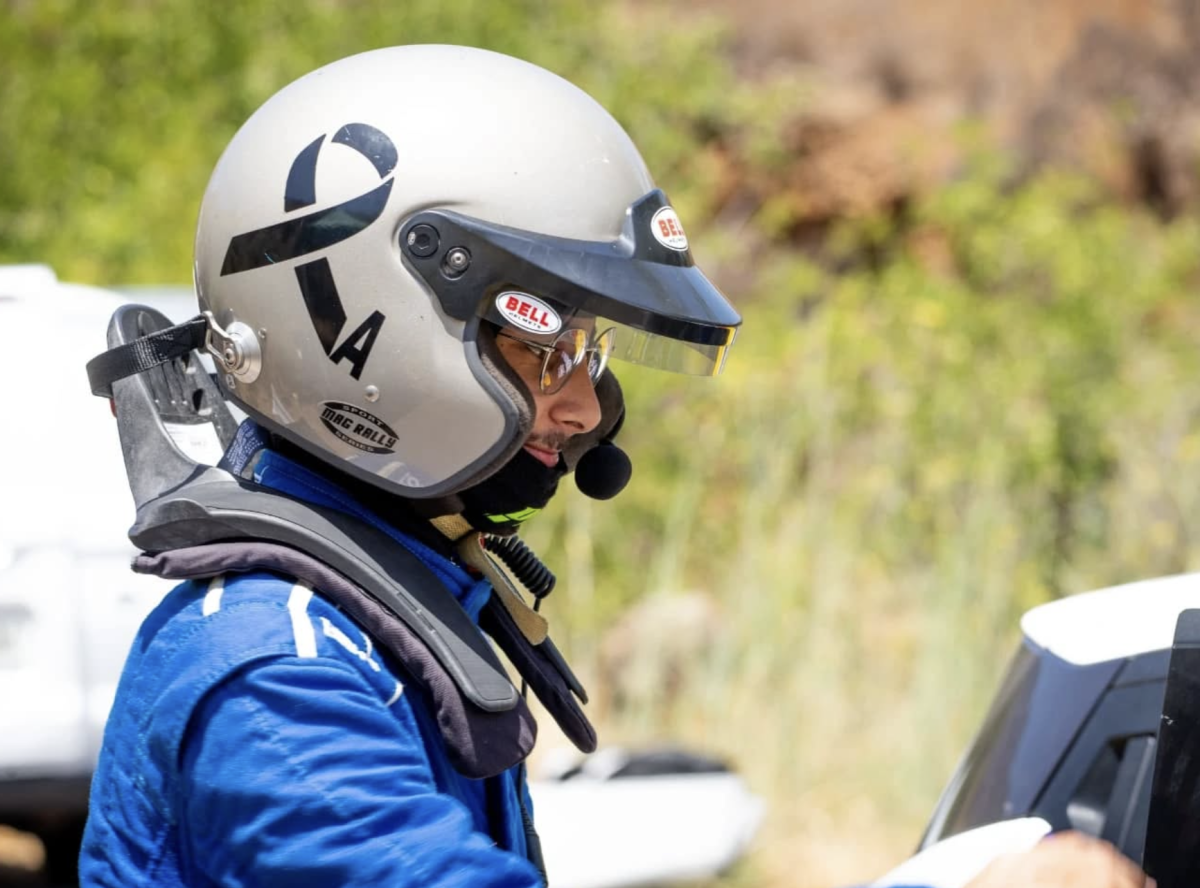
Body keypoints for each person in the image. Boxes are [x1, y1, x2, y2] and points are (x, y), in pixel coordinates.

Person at [79, 44, 1150, 888]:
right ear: (359, 328)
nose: (586, 406)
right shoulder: (282, 674)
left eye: (589, 352)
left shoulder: (372, 605)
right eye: (547, 347)